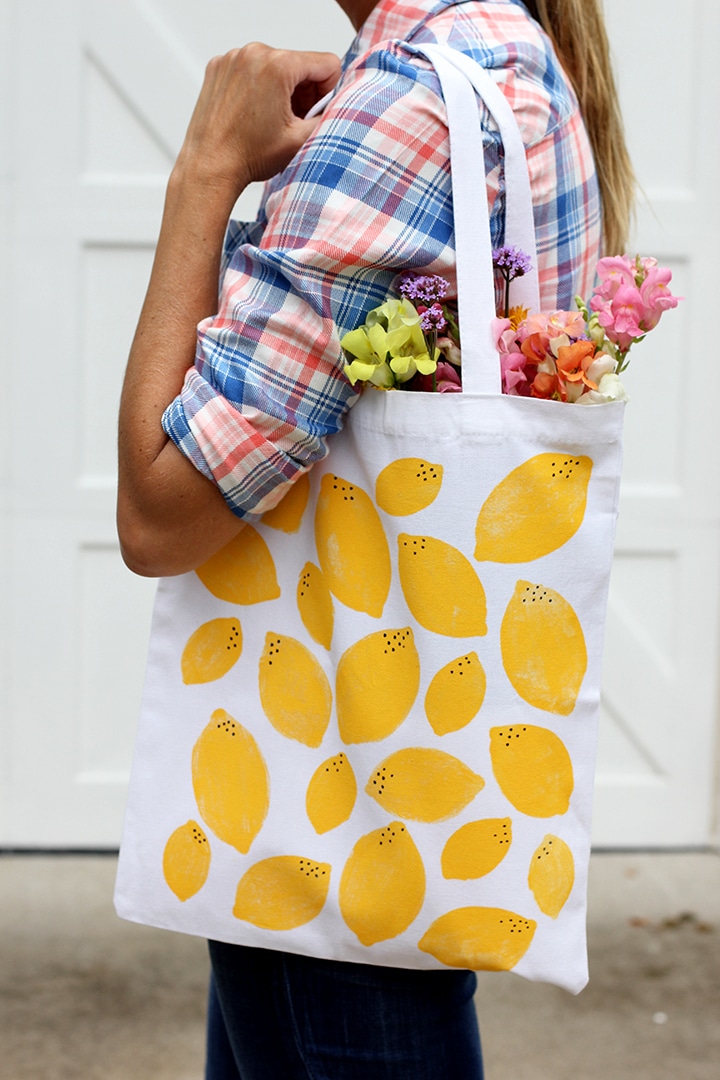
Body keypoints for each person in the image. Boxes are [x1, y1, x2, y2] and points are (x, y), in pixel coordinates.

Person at [116, 1, 634, 1076]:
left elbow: (160, 513)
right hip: (383, 771)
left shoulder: (408, 107)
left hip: (332, 789)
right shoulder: (513, 51)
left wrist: (205, 168)